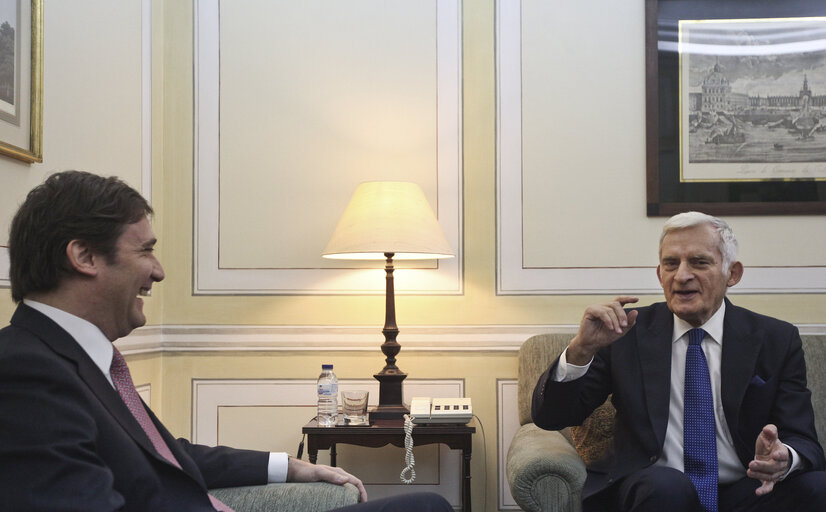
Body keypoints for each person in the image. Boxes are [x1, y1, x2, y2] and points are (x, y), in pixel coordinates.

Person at [0, 170, 451, 512]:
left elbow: (166, 454)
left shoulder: (78, 360)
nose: (158, 271)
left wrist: (291, 466)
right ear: (84, 256)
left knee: (427, 505)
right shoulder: (24, 373)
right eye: (145, 251)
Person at [532, 211, 826, 512]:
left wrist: (784, 458)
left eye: (699, 262)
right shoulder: (625, 333)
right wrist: (581, 349)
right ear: (660, 275)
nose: (682, 276)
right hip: (654, 487)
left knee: (819, 488)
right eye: (671, 264)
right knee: (666, 488)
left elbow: (804, 440)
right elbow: (551, 417)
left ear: (732, 273)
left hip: (745, 490)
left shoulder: (776, 338)